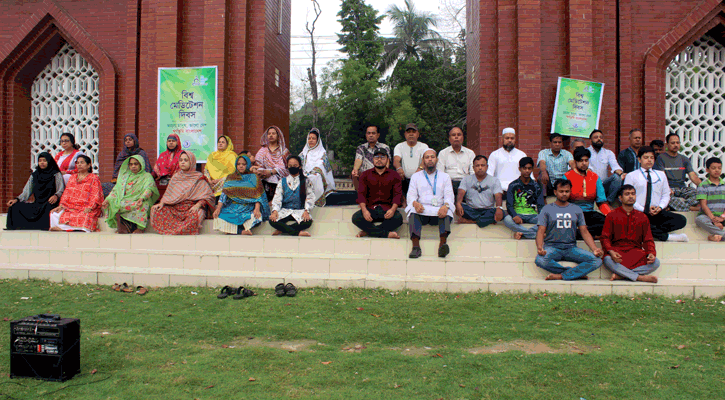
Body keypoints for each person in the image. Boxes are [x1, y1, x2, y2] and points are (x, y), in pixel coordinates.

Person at [535, 179, 604, 281]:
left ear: (570, 192)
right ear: (555, 192)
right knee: (540, 260)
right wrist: (540, 247)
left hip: (571, 248)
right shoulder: (547, 209)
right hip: (552, 247)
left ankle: (562, 276)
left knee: (596, 260)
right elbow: (540, 231)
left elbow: (584, 231)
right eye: (561, 191)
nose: (564, 194)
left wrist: (594, 249)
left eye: (567, 191)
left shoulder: (577, 209)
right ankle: (574, 273)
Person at [623, 146, 688, 242]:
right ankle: (667, 237)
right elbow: (628, 198)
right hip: (639, 212)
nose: (649, 160)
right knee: (633, 223)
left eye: (651, 157)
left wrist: (660, 207)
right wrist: (644, 209)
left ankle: (650, 231)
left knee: (681, 220)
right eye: (646, 157)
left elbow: (666, 194)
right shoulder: (631, 176)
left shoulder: (661, 175)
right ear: (639, 159)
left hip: (656, 212)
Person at [600, 184, 660, 283]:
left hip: (636, 253)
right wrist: (611, 251)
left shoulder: (642, 217)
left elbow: (648, 239)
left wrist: (651, 253)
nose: (631, 196)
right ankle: (639, 277)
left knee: (656, 262)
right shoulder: (612, 215)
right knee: (607, 260)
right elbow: (605, 237)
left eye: (633, 194)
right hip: (618, 253)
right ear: (620, 198)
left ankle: (623, 275)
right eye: (627, 194)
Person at [150, 150, 215, 235]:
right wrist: (162, 203)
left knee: (198, 214)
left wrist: (197, 205)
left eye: (185, 160)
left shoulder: (198, 177)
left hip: (191, 208)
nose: (183, 162)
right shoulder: (176, 177)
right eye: (181, 160)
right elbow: (169, 194)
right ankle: (180, 230)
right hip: (175, 208)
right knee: (156, 210)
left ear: (191, 161)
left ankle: (179, 230)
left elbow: (207, 196)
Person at [406, 149, 455, 258]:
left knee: (448, 211)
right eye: (427, 157)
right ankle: (416, 247)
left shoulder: (445, 176)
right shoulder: (416, 176)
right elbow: (411, 195)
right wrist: (415, 204)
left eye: (432, 157)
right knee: (412, 211)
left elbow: (449, 196)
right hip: (422, 210)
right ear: (423, 160)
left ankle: (442, 244)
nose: (430, 159)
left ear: (436, 159)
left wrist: (445, 206)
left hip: (439, 210)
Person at [352, 148, 404, 239]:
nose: (379, 160)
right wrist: (364, 211)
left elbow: (397, 195)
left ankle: (368, 232)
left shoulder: (394, 175)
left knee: (398, 218)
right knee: (356, 217)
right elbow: (361, 194)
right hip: (371, 209)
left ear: (387, 160)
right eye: (376, 157)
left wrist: (392, 210)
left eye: (382, 157)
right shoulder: (365, 175)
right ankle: (386, 234)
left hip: (387, 210)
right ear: (373, 159)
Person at [213, 154, 270, 235]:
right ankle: (242, 231)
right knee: (218, 217)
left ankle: (233, 230)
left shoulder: (254, 177)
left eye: (243, 164)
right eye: (238, 164)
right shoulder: (230, 177)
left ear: (248, 165)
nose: (241, 166)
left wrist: (257, 209)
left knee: (257, 217)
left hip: (248, 207)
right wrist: (218, 208)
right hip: (232, 207)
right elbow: (223, 196)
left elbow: (258, 196)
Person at [5, 152, 64, 231]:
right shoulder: (35, 175)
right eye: (40, 161)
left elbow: (61, 189)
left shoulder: (56, 174)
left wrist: (56, 196)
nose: (42, 163)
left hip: (50, 202)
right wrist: (16, 199)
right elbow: (27, 191)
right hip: (37, 203)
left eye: (44, 161)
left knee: (47, 208)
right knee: (15, 207)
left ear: (49, 161)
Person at [103, 155, 159, 234]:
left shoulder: (147, 176)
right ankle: (123, 226)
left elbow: (149, 189)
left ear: (141, 165)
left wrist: (142, 198)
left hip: (139, 200)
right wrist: (107, 199)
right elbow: (116, 190)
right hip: (125, 200)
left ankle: (140, 228)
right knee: (113, 202)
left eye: (136, 164)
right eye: (131, 164)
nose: (133, 166)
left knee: (143, 204)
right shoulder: (124, 177)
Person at [49, 155, 103, 232]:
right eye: (77, 163)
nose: (79, 165)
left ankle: (65, 228)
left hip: (86, 207)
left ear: (88, 165)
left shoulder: (94, 177)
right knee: (54, 213)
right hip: (70, 206)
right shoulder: (72, 177)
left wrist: (91, 207)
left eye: (82, 162)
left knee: (85, 216)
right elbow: (66, 193)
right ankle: (65, 228)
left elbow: (95, 194)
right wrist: (61, 206)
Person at [565, 147, 610, 238]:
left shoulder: (594, 177)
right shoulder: (567, 176)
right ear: (575, 161)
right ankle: (589, 234)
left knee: (608, 223)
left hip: (589, 213)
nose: (584, 163)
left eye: (586, 160)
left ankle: (580, 233)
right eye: (581, 161)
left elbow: (601, 202)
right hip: (572, 213)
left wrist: (610, 215)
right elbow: (562, 200)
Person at [269, 155, 316, 237]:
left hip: (299, 211)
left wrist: (306, 211)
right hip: (285, 211)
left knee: (308, 221)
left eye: (295, 166)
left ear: (300, 167)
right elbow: (277, 197)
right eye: (290, 166)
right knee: (272, 220)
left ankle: (282, 230)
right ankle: (297, 233)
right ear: (287, 166)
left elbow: (310, 197)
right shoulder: (282, 181)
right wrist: (275, 211)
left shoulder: (306, 181)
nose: (292, 167)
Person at [654, 133, 701, 211]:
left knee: (698, 194)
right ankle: (690, 207)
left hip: (682, 188)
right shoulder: (661, 158)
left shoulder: (684, 159)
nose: (676, 145)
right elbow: (661, 177)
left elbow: (693, 176)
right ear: (667, 145)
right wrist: (667, 188)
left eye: (677, 143)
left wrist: (704, 186)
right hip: (669, 188)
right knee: (666, 198)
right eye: (673, 143)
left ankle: (679, 205)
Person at [455, 155, 504, 228]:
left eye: (482, 165)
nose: (480, 168)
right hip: (471, 210)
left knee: (501, 212)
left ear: (487, 167)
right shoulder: (466, 179)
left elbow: (498, 196)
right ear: (473, 168)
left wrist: (499, 207)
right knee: (459, 207)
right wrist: (458, 203)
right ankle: (484, 221)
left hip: (488, 210)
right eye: (477, 165)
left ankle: (470, 221)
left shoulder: (494, 180)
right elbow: (461, 192)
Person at [504, 157, 546, 240]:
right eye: (524, 168)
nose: (527, 171)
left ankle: (523, 234)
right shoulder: (513, 185)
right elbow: (509, 204)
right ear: (520, 169)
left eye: (529, 168)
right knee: (507, 219)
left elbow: (540, 204)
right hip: (518, 215)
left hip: (533, 216)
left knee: (548, 220)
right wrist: (514, 215)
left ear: (532, 169)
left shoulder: (536, 186)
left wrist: (542, 217)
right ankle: (534, 235)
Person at [103, 133, 152, 197]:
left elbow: (146, 168)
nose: (128, 141)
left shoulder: (141, 153)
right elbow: (117, 168)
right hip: (124, 179)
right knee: (104, 187)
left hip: (138, 179)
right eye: (126, 140)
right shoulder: (122, 154)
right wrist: (116, 178)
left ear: (135, 141)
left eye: (130, 140)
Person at [300, 128, 336, 206]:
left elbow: (321, 165)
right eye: (309, 138)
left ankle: (314, 202)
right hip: (304, 174)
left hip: (316, 175)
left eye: (313, 138)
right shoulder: (304, 153)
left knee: (314, 177)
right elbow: (298, 164)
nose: (311, 140)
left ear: (317, 140)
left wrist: (313, 172)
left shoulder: (322, 153)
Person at [587, 129, 625, 202]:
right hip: (591, 184)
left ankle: (609, 201)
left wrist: (622, 174)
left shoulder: (608, 153)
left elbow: (615, 167)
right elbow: (588, 170)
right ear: (590, 140)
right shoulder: (586, 152)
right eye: (596, 137)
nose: (599, 139)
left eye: (601, 137)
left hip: (604, 184)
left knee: (617, 177)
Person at [255, 125, 291, 202]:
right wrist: (261, 171)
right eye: (269, 133)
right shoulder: (263, 150)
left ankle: (274, 200)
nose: (271, 135)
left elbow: (287, 168)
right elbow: (258, 165)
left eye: (273, 133)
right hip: (264, 177)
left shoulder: (284, 151)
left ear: (278, 136)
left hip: (279, 177)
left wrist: (271, 172)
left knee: (273, 178)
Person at [393, 123, 428, 199]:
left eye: (413, 132)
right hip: (404, 178)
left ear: (418, 134)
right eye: (408, 132)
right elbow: (396, 160)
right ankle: (403, 202)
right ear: (405, 134)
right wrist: (399, 168)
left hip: (420, 177)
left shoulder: (424, 146)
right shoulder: (399, 146)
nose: (411, 134)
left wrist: (420, 169)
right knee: (396, 177)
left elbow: (425, 160)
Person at [351, 125, 390, 192]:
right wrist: (355, 170)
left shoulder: (384, 147)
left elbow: (386, 164)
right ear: (366, 135)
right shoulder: (361, 148)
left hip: (380, 177)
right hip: (364, 178)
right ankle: (360, 195)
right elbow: (358, 160)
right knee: (354, 174)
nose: (371, 135)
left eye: (373, 133)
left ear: (378, 135)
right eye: (368, 133)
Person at [437, 126, 475, 193]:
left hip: (465, 184)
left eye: (459, 135)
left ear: (462, 138)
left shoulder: (470, 153)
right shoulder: (443, 153)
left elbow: (473, 173)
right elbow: (440, 173)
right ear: (449, 139)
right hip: (448, 184)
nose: (456, 137)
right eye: (453, 135)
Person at [695, 157, 725, 242]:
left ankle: (714, 236)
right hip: (708, 216)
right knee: (699, 219)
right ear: (707, 170)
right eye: (713, 168)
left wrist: (722, 217)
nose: (717, 170)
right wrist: (714, 220)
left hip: (722, 216)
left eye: (719, 168)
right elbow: (703, 205)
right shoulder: (703, 185)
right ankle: (722, 235)